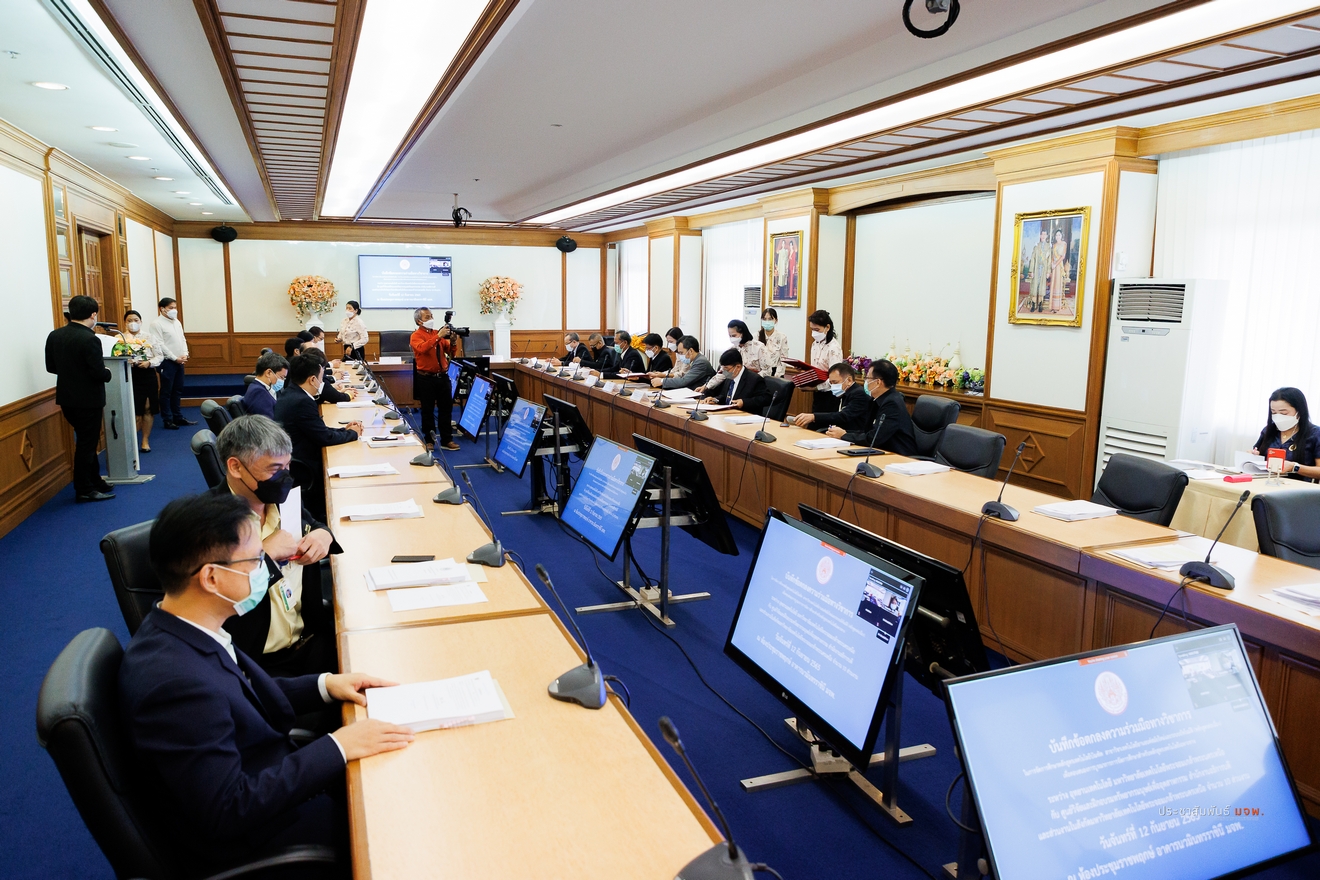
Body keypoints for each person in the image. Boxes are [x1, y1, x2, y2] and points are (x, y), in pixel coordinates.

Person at [118, 492, 413, 876]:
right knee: (400, 814)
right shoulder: (175, 686)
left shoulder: (181, 627)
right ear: (211, 577)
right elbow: (228, 808)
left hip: (270, 777)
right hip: (263, 836)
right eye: (257, 560)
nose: (266, 569)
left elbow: (238, 693)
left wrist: (326, 684)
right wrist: (339, 746)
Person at [213, 415, 339, 676]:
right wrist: (264, 555)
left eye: (287, 466)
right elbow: (217, 601)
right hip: (258, 666)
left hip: (311, 640)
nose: (284, 477)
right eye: (274, 469)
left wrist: (323, 535)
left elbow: (314, 524)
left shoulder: (283, 501)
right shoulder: (208, 522)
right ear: (235, 467)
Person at [44, 295, 114, 502]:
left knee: (87, 441)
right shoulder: (90, 338)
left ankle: (95, 481)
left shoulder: (55, 335)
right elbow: (98, 372)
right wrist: (108, 373)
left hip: (67, 399)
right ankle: (84, 489)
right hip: (89, 400)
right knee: (86, 444)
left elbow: (51, 367)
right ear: (93, 315)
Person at [274, 355, 361, 521]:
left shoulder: (291, 393)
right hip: (304, 465)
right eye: (321, 378)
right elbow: (324, 438)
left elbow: (316, 430)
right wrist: (353, 434)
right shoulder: (302, 401)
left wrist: (344, 429)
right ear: (312, 379)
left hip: (296, 455)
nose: (323, 383)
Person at [825, 359, 917, 454]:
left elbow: (874, 438)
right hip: (880, 452)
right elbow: (867, 432)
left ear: (878, 382)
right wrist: (844, 433)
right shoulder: (876, 400)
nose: (865, 382)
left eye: (867, 378)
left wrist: (844, 435)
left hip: (899, 456)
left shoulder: (892, 404)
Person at [410, 307, 460, 451]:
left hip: (443, 376)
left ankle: (447, 439)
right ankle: (429, 440)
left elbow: (450, 352)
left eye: (431, 316)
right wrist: (438, 336)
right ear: (419, 321)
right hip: (426, 378)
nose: (431, 319)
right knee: (428, 410)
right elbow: (422, 348)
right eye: (427, 317)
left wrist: (453, 342)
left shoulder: (437, 333)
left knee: (446, 409)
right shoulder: (416, 336)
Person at [1252, 387, 1320, 481]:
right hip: (1266, 483)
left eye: (1283, 413)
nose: (1278, 417)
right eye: (1274, 413)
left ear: (1299, 412)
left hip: (1299, 487)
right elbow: (1259, 455)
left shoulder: (1315, 434)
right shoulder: (1269, 430)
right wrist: (1253, 456)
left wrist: (1295, 467)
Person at [149, 297, 195, 429]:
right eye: (171, 308)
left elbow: (182, 339)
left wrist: (185, 353)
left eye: (175, 307)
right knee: (166, 391)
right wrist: (174, 358)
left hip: (180, 361)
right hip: (167, 362)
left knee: (178, 390)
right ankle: (167, 419)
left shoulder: (176, 322)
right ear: (162, 309)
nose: (174, 310)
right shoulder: (156, 324)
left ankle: (177, 416)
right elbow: (159, 344)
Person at [122, 309, 161, 454]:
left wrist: (149, 363)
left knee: (147, 407)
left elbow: (159, 356)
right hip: (129, 374)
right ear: (125, 323)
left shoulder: (149, 337)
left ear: (141, 322)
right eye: (129, 321)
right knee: (133, 409)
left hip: (147, 374)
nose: (133, 323)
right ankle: (131, 441)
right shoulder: (120, 338)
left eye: (136, 320)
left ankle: (145, 440)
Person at [794, 363, 872, 434]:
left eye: (835, 382)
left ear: (849, 380)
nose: (833, 386)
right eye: (831, 383)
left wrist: (814, 417)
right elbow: (832, 415)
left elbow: (843, 416)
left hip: (853, 435)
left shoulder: (859, 394)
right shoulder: (842, 393)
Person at [704, 320, 767, 395]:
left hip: (753, 386)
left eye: (734, 336)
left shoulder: (759, 347)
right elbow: (724, 373)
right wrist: (707, 386)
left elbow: (767, 371)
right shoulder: (732, 349)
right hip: (735, 385)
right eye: (730, 336)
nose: (731, 338)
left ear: (742, 333)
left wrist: (750, 380)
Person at [702, 349, 771, 415]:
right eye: (723, 369)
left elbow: (766, 398)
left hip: (745, 417)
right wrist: (715, 400)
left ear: (738, 367)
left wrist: (744, 402)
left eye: (726, 369)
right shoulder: (729, 376)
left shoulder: (754, 379)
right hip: (727, 414)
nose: (724, 372)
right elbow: (726, 397)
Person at [808, 309, 844, 412]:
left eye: (817, 329)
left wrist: (816, 387)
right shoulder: (815, 344)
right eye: (812, 329)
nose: (814, 333)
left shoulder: (834, 348)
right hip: (817, 391)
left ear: (827, 327)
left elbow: (835, 377)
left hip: (830, 393)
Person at [241, 352, 288, 419]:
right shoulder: (258, 393)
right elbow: (268, 421)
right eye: (281, 377)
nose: (282, 381)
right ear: (268, 373)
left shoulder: (261, 388)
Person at [759, 308, 790, 378]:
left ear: (776, 320)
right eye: (764, 319)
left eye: (770, 319)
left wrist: (776, 376)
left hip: (775, 372)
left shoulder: (782, 337)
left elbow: (783, 359)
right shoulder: (756, 336)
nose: (767, 321)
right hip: (760, 373)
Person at [1026, 228, 1050, 313]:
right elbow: (1033, 258)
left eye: (1045, 234)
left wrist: (1048, 271)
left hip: (1043, 270)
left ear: (1046, 236)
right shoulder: (1036, 246)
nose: (1043, 236)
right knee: (1034, 287)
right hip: (1036, 269)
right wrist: (1031, 271)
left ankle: (1040, 305)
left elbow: (1049, 260)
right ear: (1040, 236)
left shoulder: (1048, 247)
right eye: (1042, 234)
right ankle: (1033, 305)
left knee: (1041, 287)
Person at [1049, 228, 1069, 313]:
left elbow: (1063, 257)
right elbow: (1052, 256)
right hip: (1054, 266)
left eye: (1059, 235)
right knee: (1053, 285)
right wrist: (1052, 264)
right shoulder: (1054, 245)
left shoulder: (1064, 244)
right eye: (1056, 235)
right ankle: (1052, 306)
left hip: (1059, 266)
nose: (1058, 236)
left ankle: (1057, 307)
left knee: (1057, 284)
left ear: (1061, 236)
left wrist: (1055, 264)